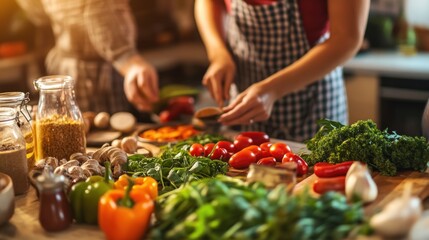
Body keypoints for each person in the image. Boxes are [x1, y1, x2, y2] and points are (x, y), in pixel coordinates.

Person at [195, 0, 370, 142]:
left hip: (312, 105)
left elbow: (347, 38)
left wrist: (272, 89)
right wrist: (218, 54)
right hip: (244, 103)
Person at [16, 0, 159, 114]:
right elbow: (99, 8)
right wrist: (129, 60)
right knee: (107, 143)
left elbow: (37, 12)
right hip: (96, 74)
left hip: (66, 66)